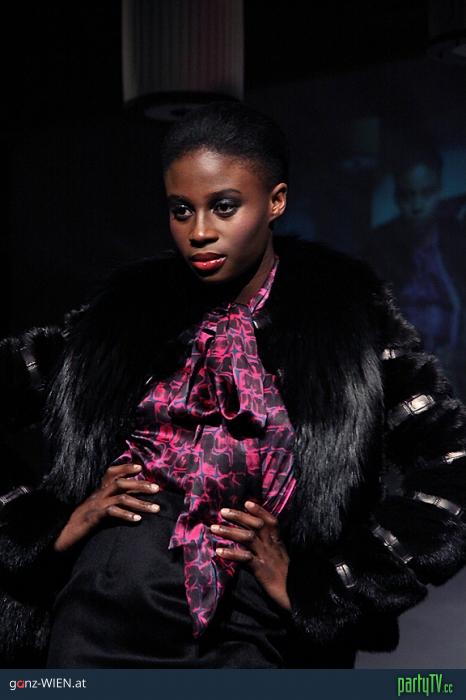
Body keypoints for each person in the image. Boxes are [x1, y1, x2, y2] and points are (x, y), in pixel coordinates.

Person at [1, 102, 466, 669]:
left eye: (224, 207)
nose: (199, 232)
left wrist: (331, 584)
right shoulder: (124, 318)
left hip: (259, 634)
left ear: (276, 201)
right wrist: (42, 525)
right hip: (102, 619)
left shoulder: (345, 324)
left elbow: (453, 463)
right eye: (181, 210)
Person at [363, 143, 466, 400]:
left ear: (439, 189)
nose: (417, 205)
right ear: (397, 195)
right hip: (401, 373)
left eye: (426, 193)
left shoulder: (457, 240)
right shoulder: (379, 247)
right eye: (407, 195)